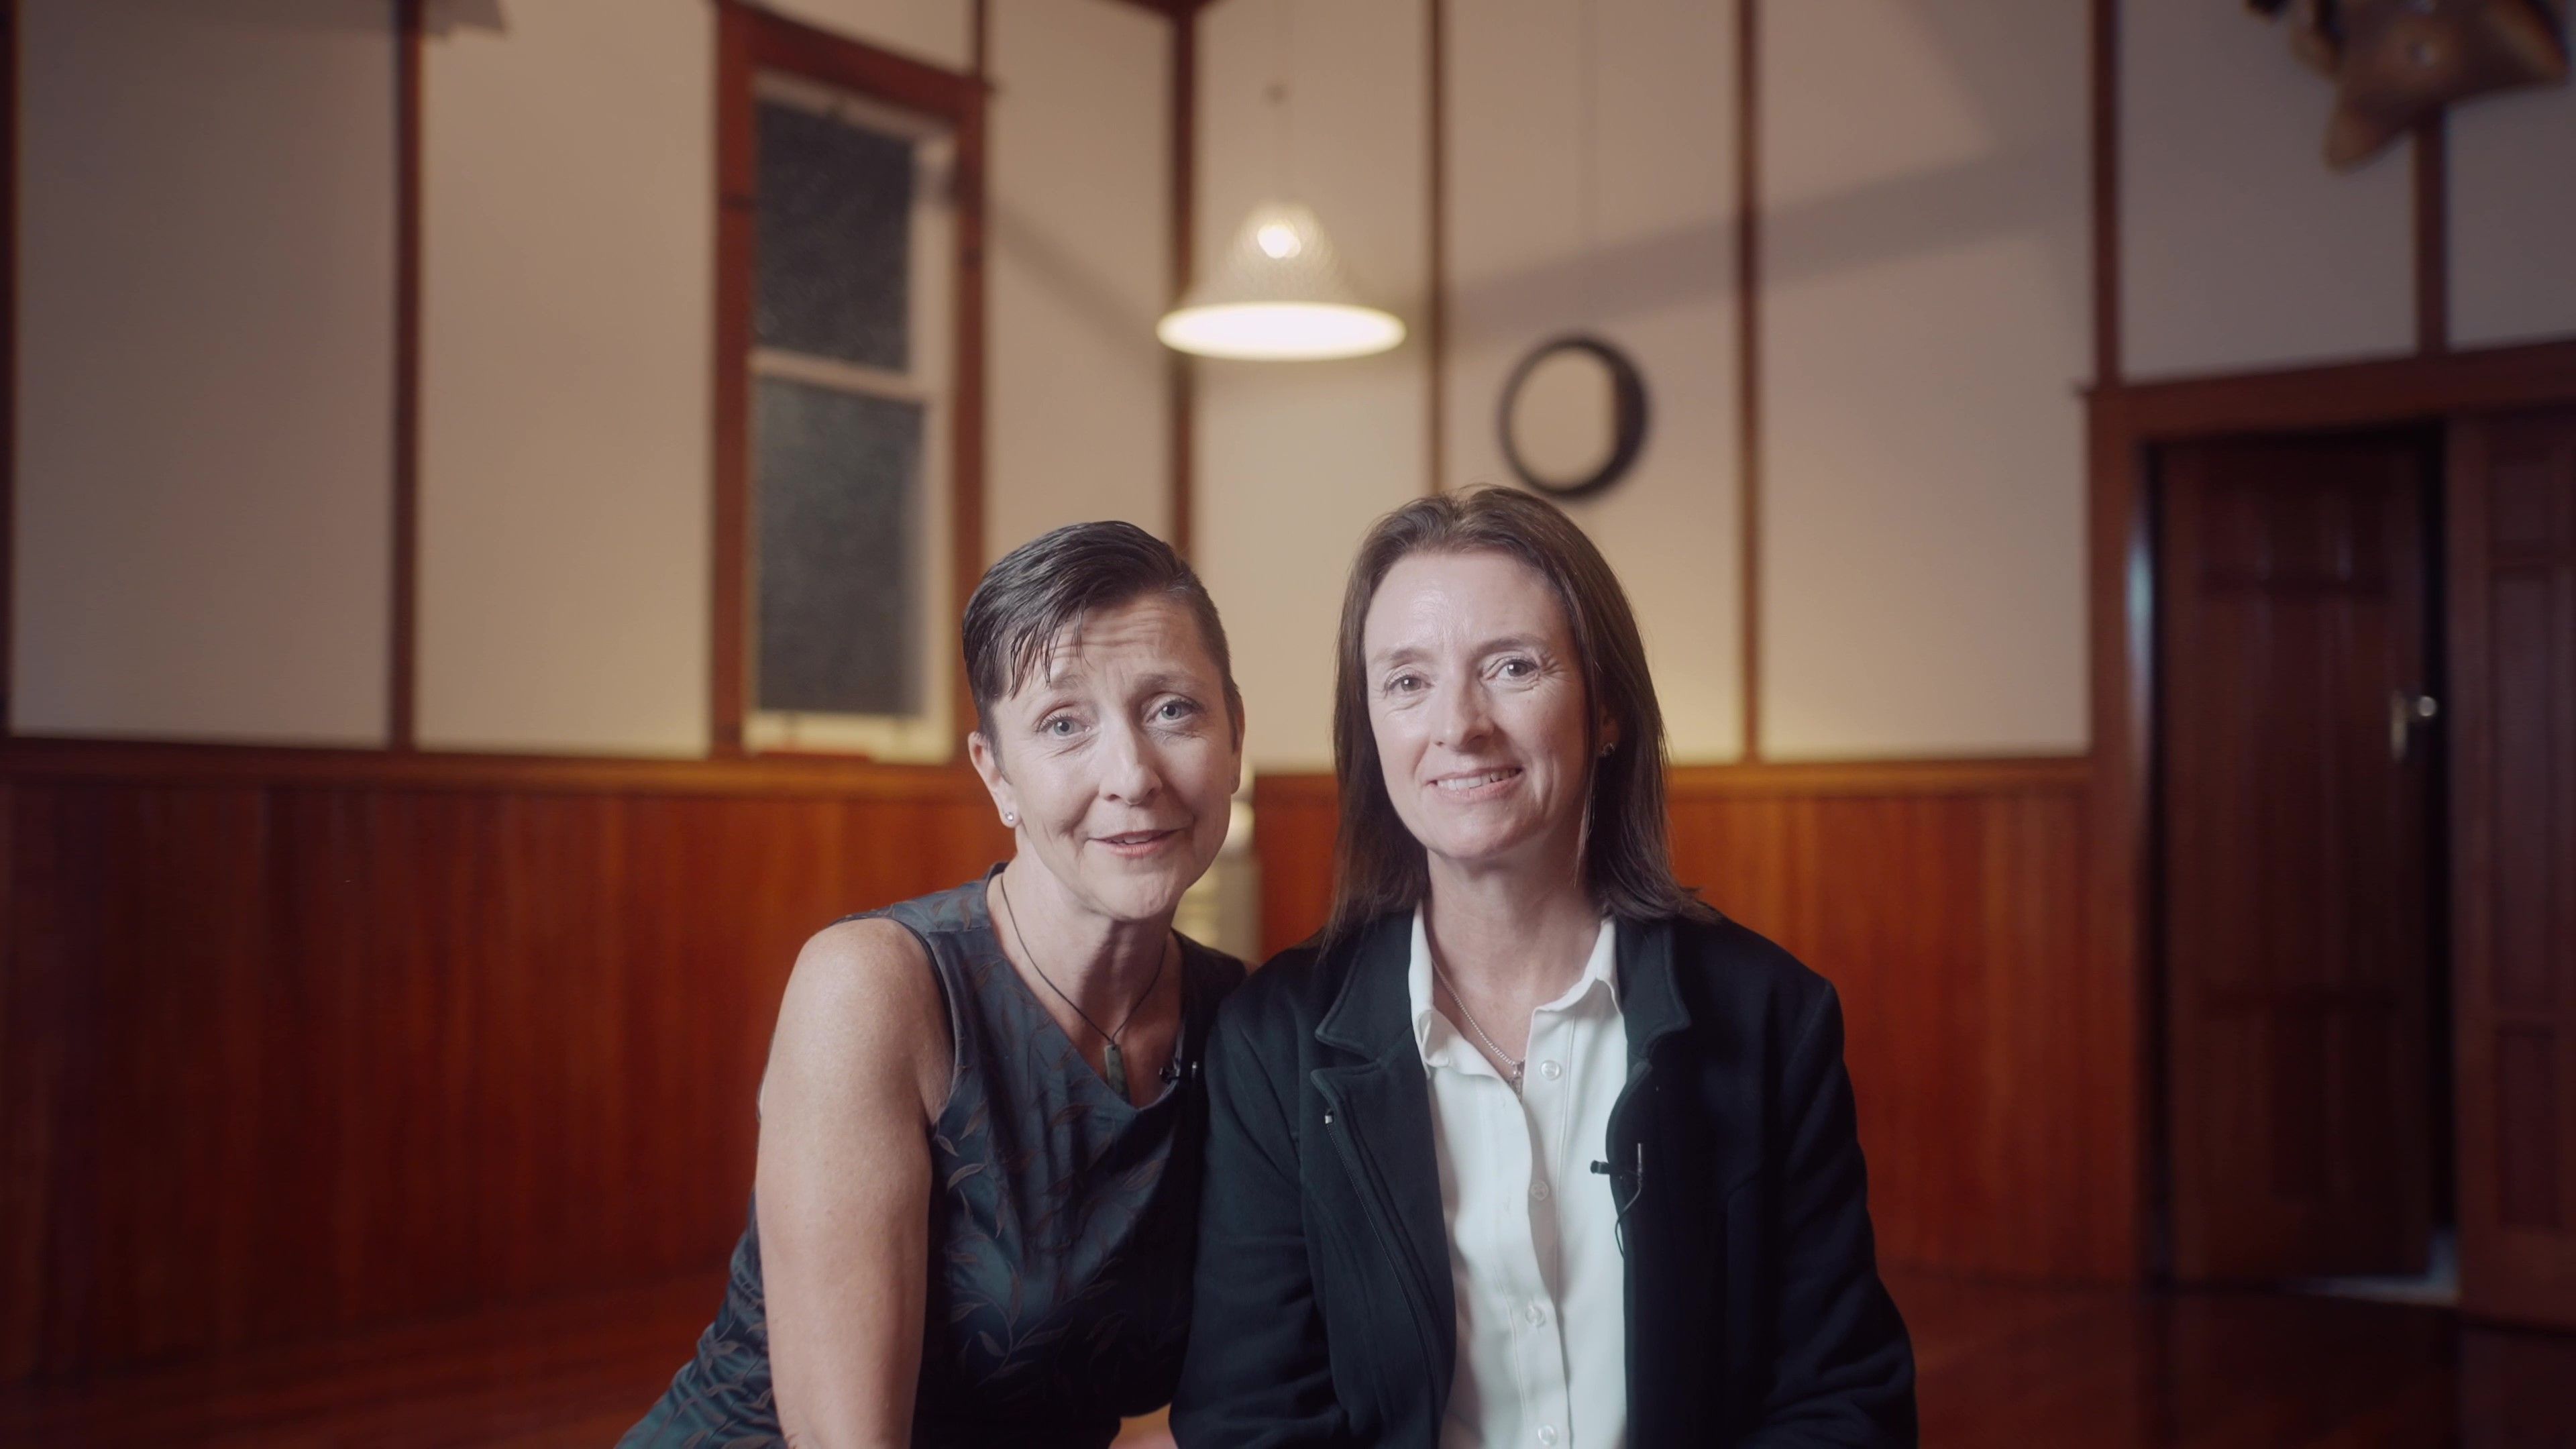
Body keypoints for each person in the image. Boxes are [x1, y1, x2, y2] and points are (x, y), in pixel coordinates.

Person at [1173, 487, 1915, 1448]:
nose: (1459, 725)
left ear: (1607, 709)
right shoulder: (1274, 1041)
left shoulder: (1771, 1015)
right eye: (1407, 681)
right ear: (1371, 729)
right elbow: (1251, 1419)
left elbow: (1842, 1400)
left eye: (1513, 667)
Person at [625, 521, 1248, 1448]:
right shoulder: (873, 989)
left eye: (1172, 710)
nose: (1133, 775)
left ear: (1234, 734)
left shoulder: (1244, 1020)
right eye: (1064, 725)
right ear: (997, 777)